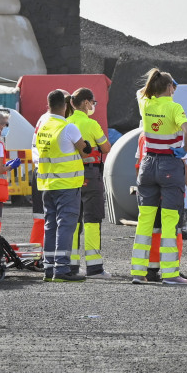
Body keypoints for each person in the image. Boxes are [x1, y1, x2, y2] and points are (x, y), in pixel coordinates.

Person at [131, 69, 187, 285]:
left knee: (145, 220)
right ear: (170, 88)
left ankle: (138, 273)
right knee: (169, 221)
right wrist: (183, 150)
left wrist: (163, 81)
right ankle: (170, 274)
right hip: (169, 164)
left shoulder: (146, 104)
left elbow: (141, 91)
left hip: (148, 164)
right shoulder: (174, 107)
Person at [35, 89, 88, 282]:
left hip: (47, 184)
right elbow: (85, 151)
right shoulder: (68, 127)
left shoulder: (42, 125)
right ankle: (62, 269)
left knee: (50, 225)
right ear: (65, 106)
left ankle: (48, 269)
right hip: (67, 184)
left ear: (48, 105)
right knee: (66, 225)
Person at [67, 88, 113, 279]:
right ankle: (95, 268)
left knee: (73, 221)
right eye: (93, 102)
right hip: (89, 175)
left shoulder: (66, 123)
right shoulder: (91, 124)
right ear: (86, 103)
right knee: (92, 220)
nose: (93, 106)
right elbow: (106, 148)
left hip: (69, 177)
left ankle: (72, 266)